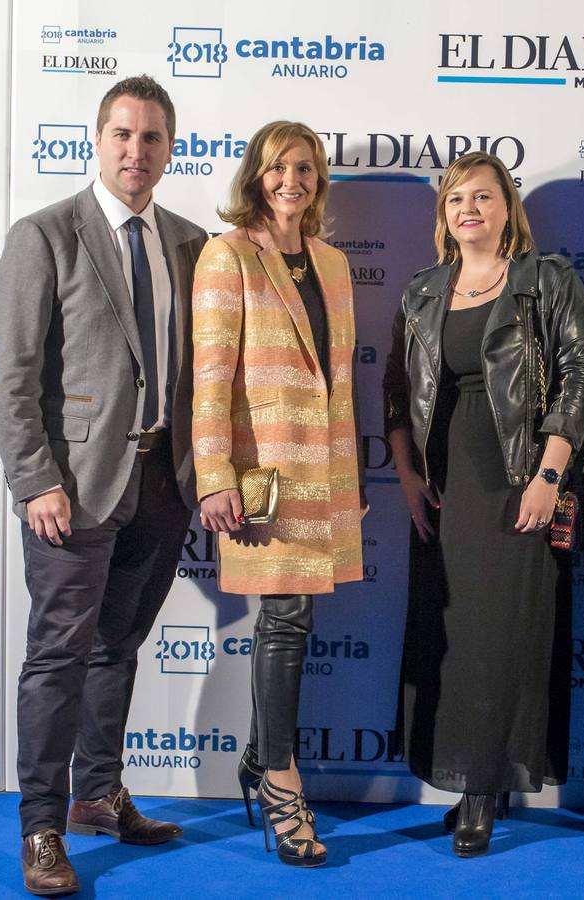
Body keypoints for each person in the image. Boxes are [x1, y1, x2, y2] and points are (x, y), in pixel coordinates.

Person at [0, 74, 207, 896]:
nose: (136, 151)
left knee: (120, 646)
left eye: (152, 138)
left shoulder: (190, 242)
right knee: (58, 656)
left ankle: (97, 795)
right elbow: (11, 376)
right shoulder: (45, 234)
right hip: (71, 489)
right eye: (123, 134)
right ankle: (42, 827)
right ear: (98, 138)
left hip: (163, 482)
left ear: (170, 147)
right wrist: (34, 479)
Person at [382, 151, 584, 858]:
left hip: (516, 478)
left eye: (482, 197)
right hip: (443, 487)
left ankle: (482, 788)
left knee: (505, 634)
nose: (468, 209)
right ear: (444, 217)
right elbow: (393, 394)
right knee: (453, 635)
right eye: (455, 200)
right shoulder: (421, 292)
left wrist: (549, 474)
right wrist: (409, 479)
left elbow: (575, 378)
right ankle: (460, 768)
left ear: (508, 208)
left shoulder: (545, 280)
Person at [191, 120, 365, 869]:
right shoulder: (226, 253)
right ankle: (282, 780)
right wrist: (213, 477)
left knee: (295, 616)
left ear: (318, 178)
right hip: (259, 476)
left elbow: (341, 385)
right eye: (275, 168)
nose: (290, 180)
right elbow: (209, 377)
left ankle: (262, 760)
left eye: (304, 167)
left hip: (320, 474)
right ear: (254, 177)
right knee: (286, 617)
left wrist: (345, 483)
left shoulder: (330, 262)